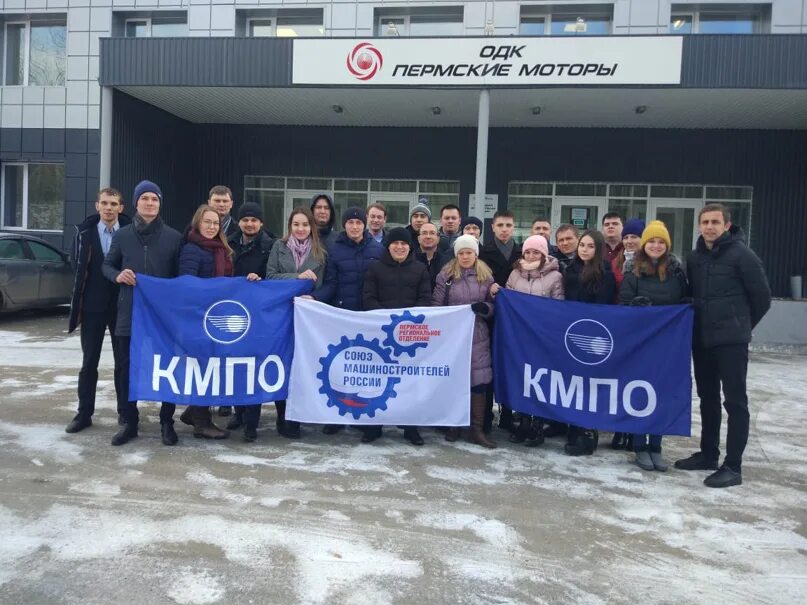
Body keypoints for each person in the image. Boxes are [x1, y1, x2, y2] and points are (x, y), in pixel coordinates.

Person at [675, 204, 771, 488]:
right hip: (703, 341)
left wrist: (740, 326)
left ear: (727, 225)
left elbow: (762, 298)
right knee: (707, 398)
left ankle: (733, 466)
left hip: (731, 342)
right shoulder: (694, 258)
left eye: (715, 222)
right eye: (705, 222)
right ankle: (708, 453)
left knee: (735, 402)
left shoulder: (743, 255)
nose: (709, 227)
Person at [102, 180, 183, 446]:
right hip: (130, 312)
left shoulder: (173, 237)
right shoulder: (123, 235)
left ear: (160, 204)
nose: (150, 203)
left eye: (155, 199)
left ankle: (166, 422)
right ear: (136, 203)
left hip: (162, 318)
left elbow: (180, 277)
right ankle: (129, 421)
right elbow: (107, 265)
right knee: (126, 367)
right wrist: (117, 276)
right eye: (145, 198)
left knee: (167, 367)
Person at [619, 221, 688, 472]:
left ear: (666, 245)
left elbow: (683, 299)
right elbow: (623, 304)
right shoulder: (632, 270)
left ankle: (656, 445)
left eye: (661, 242)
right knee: (640, 392)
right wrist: (633, 306)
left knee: (661, 393)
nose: (656, 246)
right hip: (641, 343)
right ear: (644, 245)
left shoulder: (677, 271)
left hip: (668, 344)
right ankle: (639, 444)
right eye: (651, 241)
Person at [313, 207, 383, 434]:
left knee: (367, 369)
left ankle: (369, 421)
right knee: (342, 368)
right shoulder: (335, 249)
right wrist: (313, 298)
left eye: (358, 222)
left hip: (368, 317)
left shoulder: (377, 249)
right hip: (342, 317)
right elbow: (331, 284)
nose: (354, 226)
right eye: (350, 222)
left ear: (365, 225)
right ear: (344, 225)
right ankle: (338, 416)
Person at [66, 188, 130, 434]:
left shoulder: (128, 233)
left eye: (114, 203)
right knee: (89, 361)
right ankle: (84, 413)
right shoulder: (84, 233)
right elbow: (77, 264)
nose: (109, 208)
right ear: (97, 206)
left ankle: (125, 414)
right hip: (92, 307)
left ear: (121, 207)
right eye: (104, 203)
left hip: (121, 307)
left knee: (122, 363)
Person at [362, 227, 432, 446]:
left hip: (410, 336)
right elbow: (368, 298)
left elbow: (425, 299)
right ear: (388, 246)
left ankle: (411, 427)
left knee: (410, 382)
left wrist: (407, 322)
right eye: (395, 243)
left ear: (410, 247)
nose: (400, 247)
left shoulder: (420, 269)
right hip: (381, 334)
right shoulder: (375, 268)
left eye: (404, 244)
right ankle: (373, 426)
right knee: (378, 380)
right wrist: (386, 319)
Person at [177, 204, 241, 440]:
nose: (212, 227)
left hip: (216, 317)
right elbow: (188, 285)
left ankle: (194, 411)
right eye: (207, 222)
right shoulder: (192, 249)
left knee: (213, 366)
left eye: (216, 223)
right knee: (203, 368)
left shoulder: (221, 249)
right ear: (197, 223)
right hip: (198, 320)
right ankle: (202, 422)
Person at [265, 207, 327, 440]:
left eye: (305, 225)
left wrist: (314, 296)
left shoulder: (321, 252)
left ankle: (297, 414)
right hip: (282, 314)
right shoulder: (279, 247)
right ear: (290, 226)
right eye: (296, 224)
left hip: (308, 317)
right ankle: (283, 414)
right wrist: (296, 278)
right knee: (284, 363)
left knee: (303, 365)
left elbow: (322, 285)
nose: (300, 229)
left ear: (311, 227)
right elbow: (270, 276)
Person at [433, 235, 496, 449]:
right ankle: (454, 424)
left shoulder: (485, 276)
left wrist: (485, 309)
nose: (465, 256)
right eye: (461, 253)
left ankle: (476, 429)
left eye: (469, 252)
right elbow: (436, 305)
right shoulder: (447, 276)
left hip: (477, 333)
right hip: (453, 335)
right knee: (454, 379)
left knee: (478, 381)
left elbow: (493, 304)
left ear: (475, 254)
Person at [220, 202, 276, 441]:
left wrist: (260, 279)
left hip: (257, 315)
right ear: (239, 221)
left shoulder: (270, 245)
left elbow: (273, 274)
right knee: (234, 365)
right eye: (245, 220)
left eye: (254, 220)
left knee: (253, 366)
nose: (250, 224)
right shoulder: (229, 242)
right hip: (233, 313)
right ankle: (238, 412)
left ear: (261, 223)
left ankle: (251, 422)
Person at [504, 234, 564, 447]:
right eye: (528, 251)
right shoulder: (514, 274)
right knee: (522, 378)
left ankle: (538, 425)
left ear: (543, 254)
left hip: (541, 337)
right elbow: (508, 302)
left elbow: (558, 306)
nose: (531, 255)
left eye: (536, 252)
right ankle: (523, 422)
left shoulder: (554, 277)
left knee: (539, 380)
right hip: (519, 336)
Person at [562, 230, 616, 456]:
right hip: (570, 332)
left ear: (598, 249)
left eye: (590, 246)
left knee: (590, 383)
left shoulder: (605, 274)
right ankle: (573, 426)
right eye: (582, 245)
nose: (584, 249)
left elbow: (604, 306)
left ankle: (588, 429)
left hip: (593, 335)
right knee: (573, 382)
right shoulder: (569, 270)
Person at [480, 210, 521, 432]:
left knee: (510, 364)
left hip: (515, 319)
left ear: (513, 227)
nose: (504, 229)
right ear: (493, 228)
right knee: (488, 364)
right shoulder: (484, 252)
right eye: (500, 225)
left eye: (508, 225)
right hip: (490, 316)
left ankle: (507, 412)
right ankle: (485, 413)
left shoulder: (522, 252)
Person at [609, 217, 645, 450]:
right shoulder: (616, 261)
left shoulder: (651, 262)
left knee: (638, 378)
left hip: (642, 329)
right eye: (627, 237)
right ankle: (620, 429)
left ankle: (635, 429)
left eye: (634, 237)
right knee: (620, 377)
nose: (630, 241)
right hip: (618, 324)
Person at [416, 222, 452, 290]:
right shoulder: (411, 260)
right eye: (424, 233)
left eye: (432, 233)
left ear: (438, 238)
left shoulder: (448, 262)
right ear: (418, 238)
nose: (428, 236)